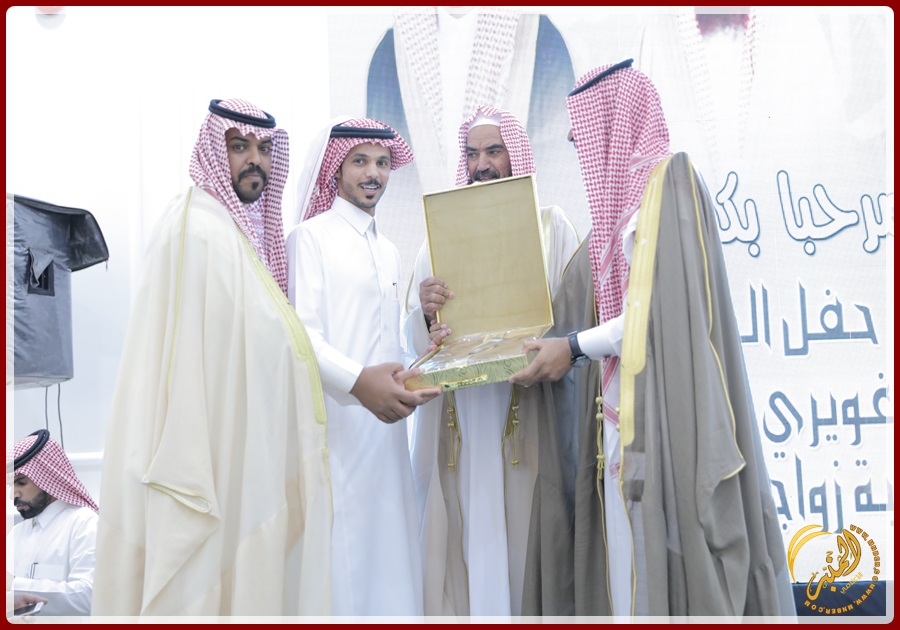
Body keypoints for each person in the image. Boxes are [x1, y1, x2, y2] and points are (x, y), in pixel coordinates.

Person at [512, 60, 796, 617]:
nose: (580, 151)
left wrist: (573, 347)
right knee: (630, 578)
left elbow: (653, 316)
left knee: (666, 570)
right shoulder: (618, 221)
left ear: (613, 124)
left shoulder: (669, 194)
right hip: (623, 426)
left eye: (582, 136)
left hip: (666, 423)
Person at [92, 99, 331, 616]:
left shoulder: (227, 229)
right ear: (213, 152)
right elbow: (193, 356)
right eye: (239, 146)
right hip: (203, 444)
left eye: (264, 148)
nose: (255, 159)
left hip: (234, 435)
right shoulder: (196, 229)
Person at [403, 105, 579, 616]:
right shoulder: (437, 240)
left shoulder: (551, 228)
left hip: (530, 408)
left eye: (494, 151)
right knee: (468, 533)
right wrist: (426, 312)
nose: (482, 165)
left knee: (529, 530)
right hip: (465, 417)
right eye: (472, 154)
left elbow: (573, 323)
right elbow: (415, 339)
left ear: (515, 155)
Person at [288, 117, 441, 616]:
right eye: (360, 162)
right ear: (336, 170)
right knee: (346, 557)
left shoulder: (389, 249)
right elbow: (302, 338)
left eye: (382, 163)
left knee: (391, 555)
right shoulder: (309, 238)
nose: (373, 173)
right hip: (338, 431)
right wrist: (360, 384)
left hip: (388, 434)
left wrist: (426, 323)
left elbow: (389, 337)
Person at [6, 430, 98, 616]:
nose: (13, 494)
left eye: (21, 483)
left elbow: (89, 597)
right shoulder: (17, 532)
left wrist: (14, 584)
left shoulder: (85, 524)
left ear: (48, 478)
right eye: (10, 485)